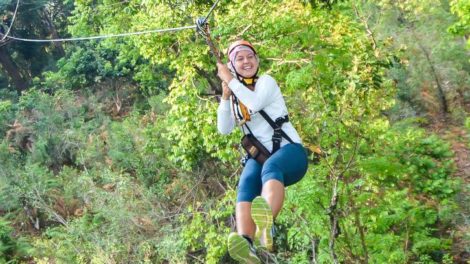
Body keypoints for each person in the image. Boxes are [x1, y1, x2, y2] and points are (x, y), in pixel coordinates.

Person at [216, 40, 309, 263]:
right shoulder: (237, 96)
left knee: (271, 166)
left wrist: (230, 79)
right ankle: (246, 242)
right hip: (264, 156)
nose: (246, 61)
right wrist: (226, 96)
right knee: (247, 179)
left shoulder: (266, 82)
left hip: (291, 153)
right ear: (232, 64)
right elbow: (224, 129)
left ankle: (266, 222)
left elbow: (255, 103)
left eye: (250, 57)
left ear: (257, 61)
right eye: (240, 59)